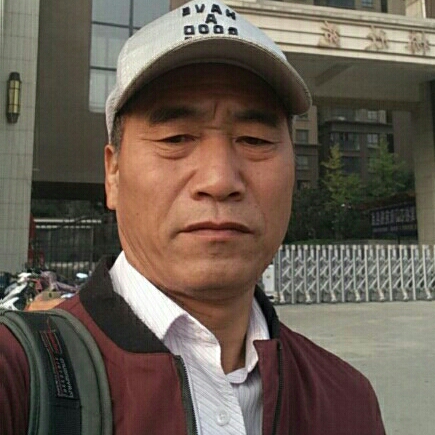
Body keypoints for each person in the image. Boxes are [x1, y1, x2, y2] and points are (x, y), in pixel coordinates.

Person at [0, 1, 386, 434]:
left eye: (255, 139)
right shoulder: (19, 382)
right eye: (176, 138)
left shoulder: (346, 400)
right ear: (113, 173)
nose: (219, 180)